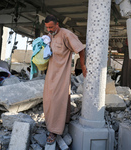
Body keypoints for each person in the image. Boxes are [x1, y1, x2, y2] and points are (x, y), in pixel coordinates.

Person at [43, 15, 87, 144]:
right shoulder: (50, 36)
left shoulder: (66, 34)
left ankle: (54, 131)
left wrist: (83, 66)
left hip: (61, 74)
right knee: (49, 98)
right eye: (47, 27)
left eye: (51, 27)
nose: (49, 29)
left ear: (57, 25)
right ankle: (64, 120)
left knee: (55, 99)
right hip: (51, 73)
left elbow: (81, 49)